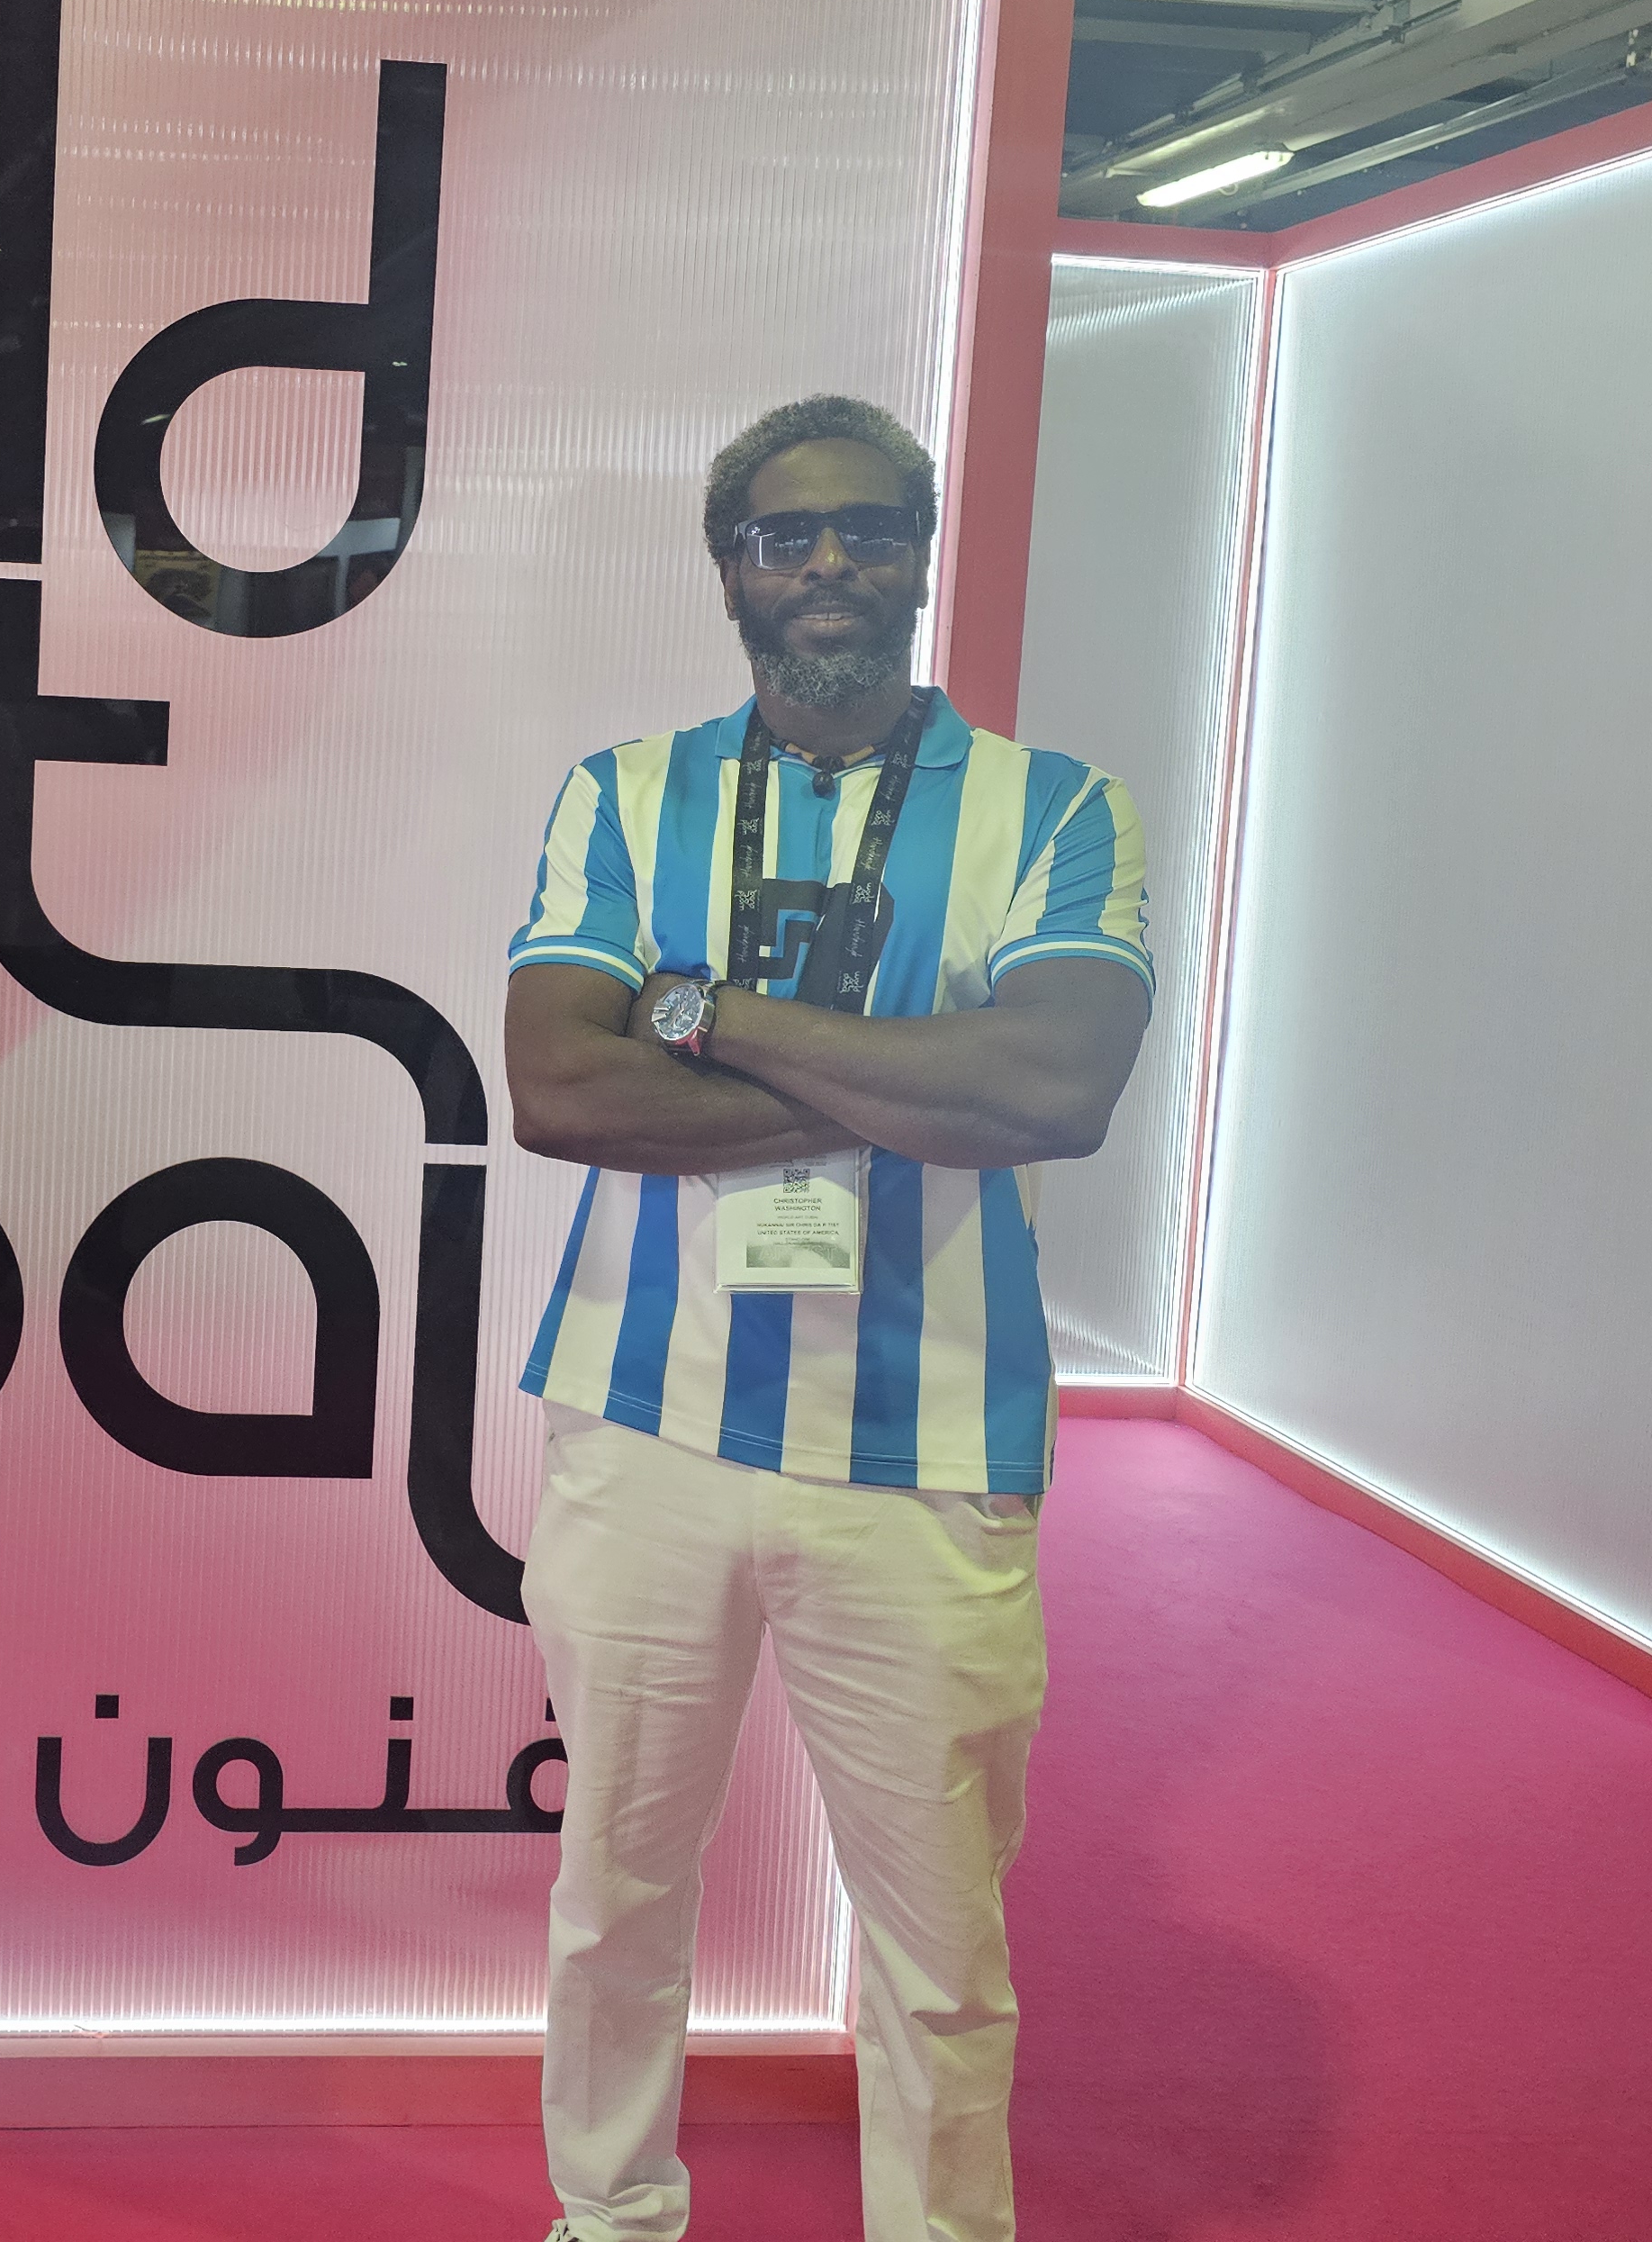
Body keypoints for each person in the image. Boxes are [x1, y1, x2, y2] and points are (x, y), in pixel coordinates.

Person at [502, 394, 1153, 2242]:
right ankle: (609, 2217)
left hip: (926, 1442)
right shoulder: (624, 793)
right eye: (785, 536)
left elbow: (1052, 1090)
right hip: (646, 1429)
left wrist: (704, 1013)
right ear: (731, 570)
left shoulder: (1053, 806)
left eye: (869, 528)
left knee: (939, 1939)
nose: (828, 565)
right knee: (616, 1896)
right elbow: (559, 1087)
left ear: (919, 555)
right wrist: (909, 1085)